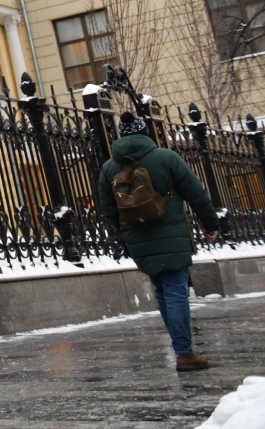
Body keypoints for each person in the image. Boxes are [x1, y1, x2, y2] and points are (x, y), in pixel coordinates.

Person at [95, 112, 222, 372]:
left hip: (138, 240)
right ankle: (184, 353)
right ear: (145, 132)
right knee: (176, 291)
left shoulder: (109, 168)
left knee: (163, 291)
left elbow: (108, 209)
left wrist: (125, 236)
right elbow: (196, 193)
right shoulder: (166, 158)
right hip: (171, 235)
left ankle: (181, 348)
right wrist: (211, 224)